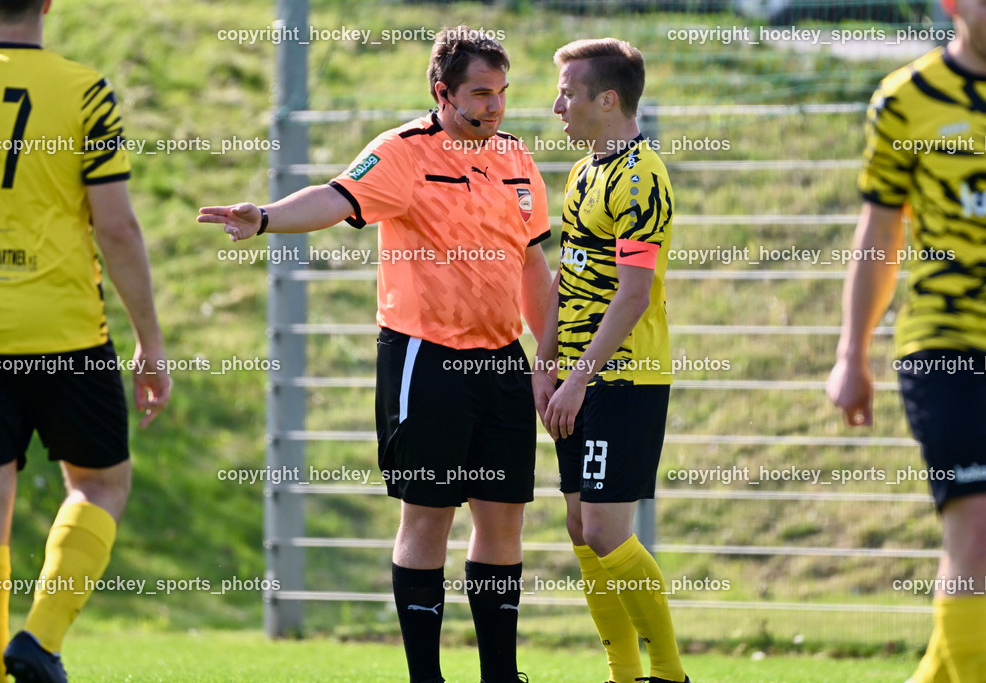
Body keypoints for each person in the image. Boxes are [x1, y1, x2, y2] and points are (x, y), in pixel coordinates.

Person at [198, 26, 551, 683]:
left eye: (503, 92)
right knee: (430, 517)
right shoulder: (401, 152)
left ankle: (501, 675)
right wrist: (267, 216)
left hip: (502, 360)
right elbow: (333, 198)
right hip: (427, 356)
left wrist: (548, 355)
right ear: (442, 92)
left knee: (503, 519)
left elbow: (533, 264)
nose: (496, 105)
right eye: (481, 92)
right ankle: (426, 677)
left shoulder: (516, 157)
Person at [0, 0, 171, 681]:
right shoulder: (84, 90)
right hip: (64, 329)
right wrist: (150, 341)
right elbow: (115, 226)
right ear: (48, 3)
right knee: (102, 482)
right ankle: (40, 640)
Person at [827, 1, 986, 680]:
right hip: (948, 346)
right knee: (976, 530)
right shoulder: (905, 99)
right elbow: (879, 236)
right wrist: (850, 353)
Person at [533, 38, 689, 683]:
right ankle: (622, 673)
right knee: (578, 526)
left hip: (622, 376)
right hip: (576, 374)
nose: (556, 106)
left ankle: (670, 673)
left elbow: (633, 293)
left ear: (608, 99)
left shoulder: (642, 174)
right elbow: (569, 280)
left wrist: (577, 377)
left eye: (568, 93)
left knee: (603, 528)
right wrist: (544, 363)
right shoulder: (584, 171)